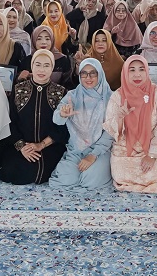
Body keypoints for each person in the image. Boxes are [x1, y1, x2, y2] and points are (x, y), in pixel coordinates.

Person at [103, 55, 157, 193]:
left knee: (155, 177)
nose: (137, 74)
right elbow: (112, 130)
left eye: (141, 69)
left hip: (152, 149)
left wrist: (152, 155)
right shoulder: (117, 96)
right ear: (125, 72)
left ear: (147, 71)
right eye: (132, 70)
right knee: (121, 176)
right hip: (124, 150)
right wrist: (120, 118)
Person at [0, 50, 68, 185]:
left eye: (47, 65)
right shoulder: (18, 90)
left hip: (49, 146)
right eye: (38, 64)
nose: (42, 70)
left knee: (43, 171)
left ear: (52, 68)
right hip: (20, 146)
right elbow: (10, 121)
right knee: (13, 170)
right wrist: (22, 147)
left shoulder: (61, 92)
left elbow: (62, 127)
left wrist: (41, 145)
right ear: (32, 66)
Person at [49, 58, 114, 189]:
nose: (88, 78)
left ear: (100, 74)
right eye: (84, 73)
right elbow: (56, 119)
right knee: (64, 180)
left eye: (93, 73)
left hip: (100, 150)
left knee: (90, 180)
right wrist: (62, 114)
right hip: (76, 149)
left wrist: (93, 155)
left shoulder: (110, 98)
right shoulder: (72, 96)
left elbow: (111, 131)